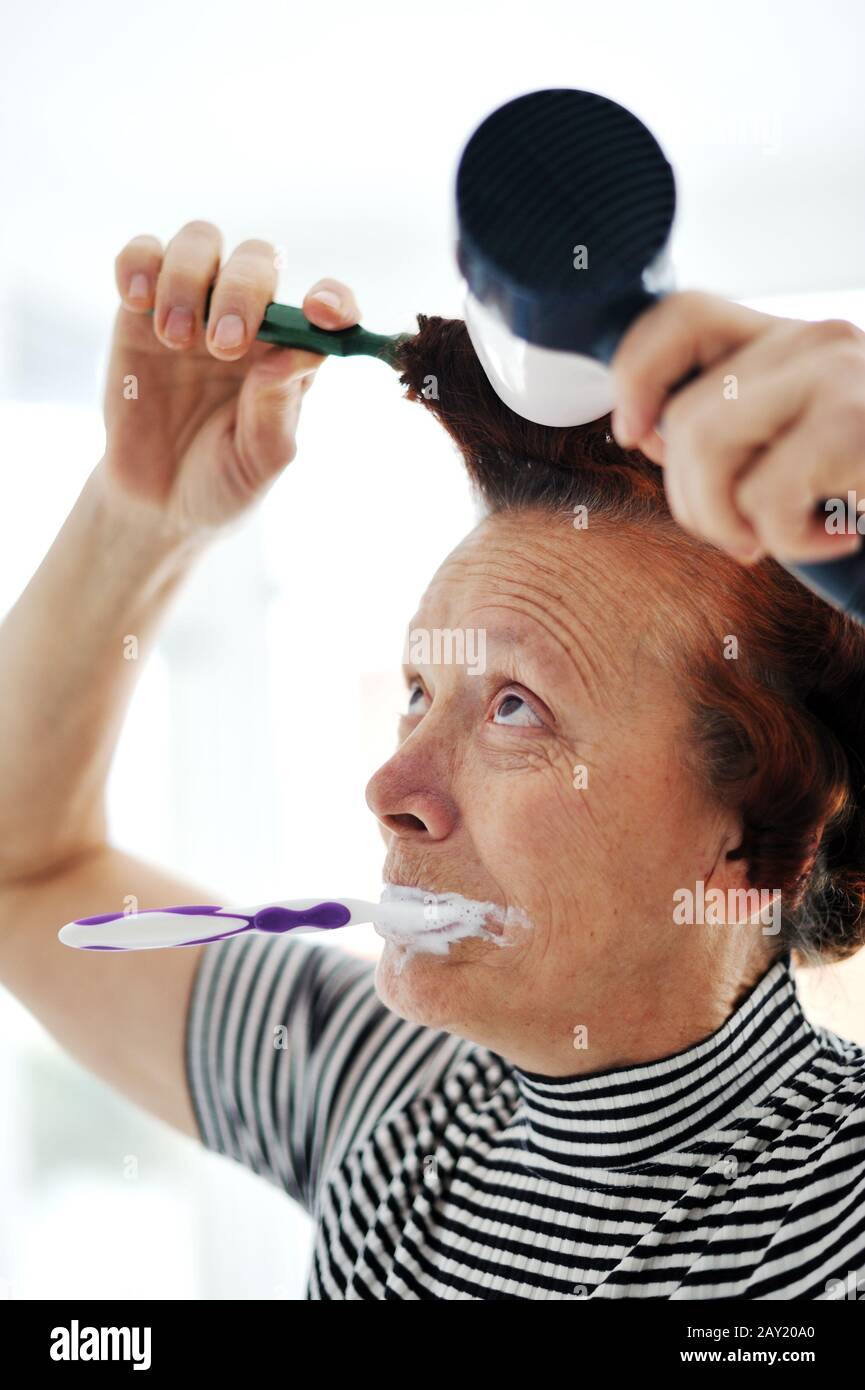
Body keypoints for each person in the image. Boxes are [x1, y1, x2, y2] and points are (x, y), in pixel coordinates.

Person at [1, 220, 864, 1300]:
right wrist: (139, 517)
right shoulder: (379, 1088)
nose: (389, 790)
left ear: (756, 842)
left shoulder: (835, 1211)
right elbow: (21, 870)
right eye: (418, 692)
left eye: (515, 707)